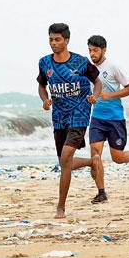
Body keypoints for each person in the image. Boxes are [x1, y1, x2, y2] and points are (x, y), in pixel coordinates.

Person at [37, 22, 101, 218]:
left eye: (57, 40)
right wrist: (45, 99)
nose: (53, 43)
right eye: (50, 39)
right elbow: (41, 85)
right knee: (64, 162)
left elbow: (97, 81)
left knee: (65, 158)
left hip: (79, 115)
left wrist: (95, 96)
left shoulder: (81, 62)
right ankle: (92, 161)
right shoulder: (45, 62)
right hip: (59, 118)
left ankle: (60, 207)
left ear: (66, 41)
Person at [86, 34, 129, 204]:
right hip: (97, 119)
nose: (92, 54)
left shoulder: (113, 67)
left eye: (95, 50)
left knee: (118, 158)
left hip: (115, 118)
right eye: (90, 50)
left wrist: (110, 96)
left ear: (104, 50)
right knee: (95, 156)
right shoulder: (88, 69)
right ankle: (101, 192)